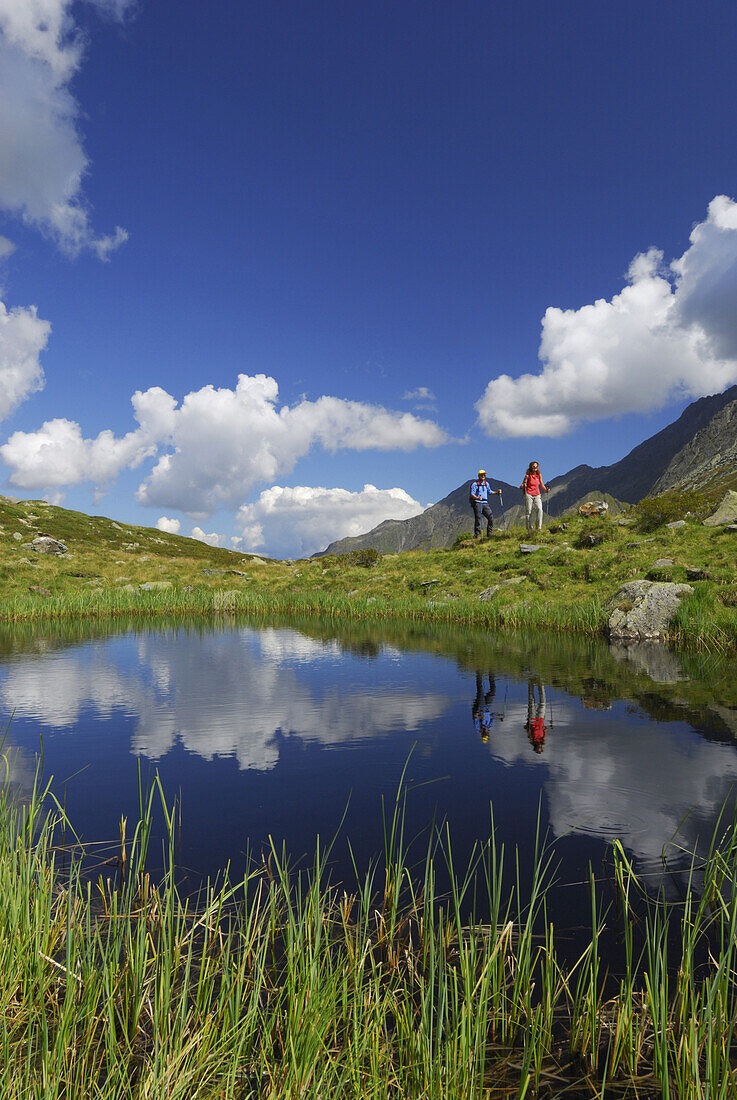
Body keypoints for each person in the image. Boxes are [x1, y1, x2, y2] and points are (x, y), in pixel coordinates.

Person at [470, 469, 502, 538]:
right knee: (478, 519)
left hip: (485, 503)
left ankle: (489, 533)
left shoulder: (486, 484)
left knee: (491, 517)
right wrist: (478, 498)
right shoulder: (475, 484)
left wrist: (497, 492)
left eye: (484, 475)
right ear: (479, 475)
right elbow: (472, 494)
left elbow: (490, 491)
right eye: (482, 475)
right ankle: (477, 534)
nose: (483, 476)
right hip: (478, 503)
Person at [520, 461, 549, 531]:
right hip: (529, 494)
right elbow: (521, 486)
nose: (535, 468)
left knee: (539, 509)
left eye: (536, 467)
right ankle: (529, 528)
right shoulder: (527, 476)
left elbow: (541, 484)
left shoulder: (539, 475)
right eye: (533, 466)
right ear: (531, 467)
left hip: (537, 494)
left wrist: (546, 490)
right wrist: (524, 485)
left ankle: (538, 528)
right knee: (528, 511)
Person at [525, 678, 548, 754]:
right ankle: (540, 683)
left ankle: (531, 684)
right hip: (541, 720)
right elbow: (544, 732)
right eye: (541, 747)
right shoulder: (542, 740)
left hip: (532, 721)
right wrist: (546, 728)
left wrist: (527, 729)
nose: (540, 746)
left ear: (535, 747)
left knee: (531, 702)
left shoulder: (532, 740)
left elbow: (528, 731)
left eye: (539, 747)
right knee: (543, 703)